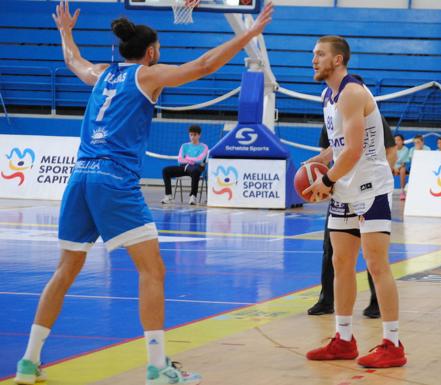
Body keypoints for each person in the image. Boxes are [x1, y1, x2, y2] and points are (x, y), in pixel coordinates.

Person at [14, 2, 273, 385]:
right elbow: (202, 66)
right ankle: (156, 367)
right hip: (113, 179)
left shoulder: (102, 74)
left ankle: (28, 362)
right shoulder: (147, 76)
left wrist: (65, 32)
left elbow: (73, 61)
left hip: (79, 177)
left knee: (65, 270)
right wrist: (248, 35)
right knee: (152, 270)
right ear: (151, 51)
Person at [304, 35, 406, 368]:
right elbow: (339, 145)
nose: (314, 59)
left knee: (376, 265)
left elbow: (355, 150)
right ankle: (344, 339)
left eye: (320, 54)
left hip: (371, 188)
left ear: (338, 59)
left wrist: (326, 179)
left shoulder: (352, 92)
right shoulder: (327, 95)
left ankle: (393, 343)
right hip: (344, 190)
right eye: (313, 54)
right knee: (341, 264)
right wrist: (318, 162)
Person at [307, 109, 397, 319]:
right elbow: (331, 157)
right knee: (333, 252)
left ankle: (376, 304)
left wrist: (380, 181)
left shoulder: (372, 115)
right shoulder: (330, 113)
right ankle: (326, 300)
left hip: (369, 191)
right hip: (341, 191)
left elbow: (391, 151)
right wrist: (318, 171)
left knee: (372, 254)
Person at [160, 125, 208, 205]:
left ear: (199, 135)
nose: (192, 137)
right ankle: (168, 196)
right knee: (166, 170)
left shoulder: (204, 147)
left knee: (195, 171)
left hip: (196, 168)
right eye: (191, 135)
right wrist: (192, 160)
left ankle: (193, 196)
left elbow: (200, 160)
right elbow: (180, 160)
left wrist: (187, 158)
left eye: (195, 135)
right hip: (184, 167)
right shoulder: (184, 146)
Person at [393, 134, 410, 200]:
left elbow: (404, 163)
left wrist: (398, 168)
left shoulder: (406, 149)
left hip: (401, 167)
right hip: (393, 166)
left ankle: (402, 191)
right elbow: (390, 161)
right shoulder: (392, 149)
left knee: (403, 170)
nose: (396, 141)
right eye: (395, 140)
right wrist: (394, 168)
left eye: (398, 140)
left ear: (403, 141)